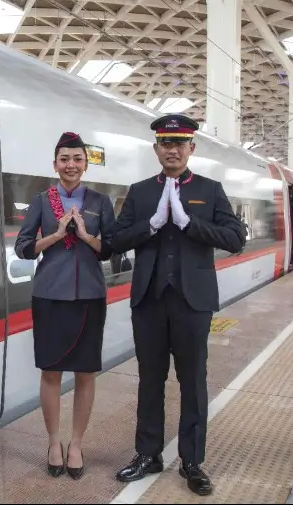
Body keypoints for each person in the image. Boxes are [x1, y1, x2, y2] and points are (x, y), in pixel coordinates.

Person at [112, 114, 245, 496]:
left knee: (193, 382)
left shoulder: (210, 189)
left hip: (192, 302)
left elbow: (234, 238)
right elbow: (116, 241)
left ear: (191, 148)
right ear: (156, 149)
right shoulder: (139, 192)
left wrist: (189, 223)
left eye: (180, 143)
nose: (172, 149)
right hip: (150, 302)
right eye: (165, 143)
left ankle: (192, 461)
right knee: (149, 380)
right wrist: (150, 225)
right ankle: (147, 454)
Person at [15, 132, 115, 481]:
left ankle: (76, 444)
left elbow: (112, 249)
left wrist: (86, 236)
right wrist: (55, 236)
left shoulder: (101, 202)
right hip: (49, 295)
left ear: (86, 163)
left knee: (86, 373)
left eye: (77, 159)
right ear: (54, 163)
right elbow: (24, 248)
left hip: (89, 296)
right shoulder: (41, 200)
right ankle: (54, 442)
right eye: (64, 159)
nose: (70, 165)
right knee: (51, 372)